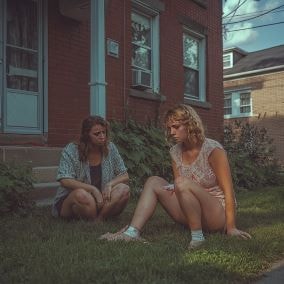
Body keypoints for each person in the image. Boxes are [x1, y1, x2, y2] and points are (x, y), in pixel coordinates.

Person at [100, 104, 251, 248]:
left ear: (190, 125)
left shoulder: (213, 150)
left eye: (176, 127)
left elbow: (229, 192)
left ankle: (198, 238)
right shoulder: (175, 152)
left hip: (216, 214)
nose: (172, 132)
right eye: (169, 128)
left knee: (181, 183)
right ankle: (131, 233)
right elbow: (178, 188)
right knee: (153, 181)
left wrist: (231, 228)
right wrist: (172, 188)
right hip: (190, 210)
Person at [51, 115, 130, 221]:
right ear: (86, 135)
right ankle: (94, 217)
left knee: (124, 189)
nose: (102, 136)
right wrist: (93, 190)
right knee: (81, 194)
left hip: (101, 199)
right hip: (75, 200)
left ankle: (99, 219)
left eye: (104, 132)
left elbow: (124, 175)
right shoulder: (72, 149)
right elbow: (64, 180)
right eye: (97, 134)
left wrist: (110, 184)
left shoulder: (110, 148)